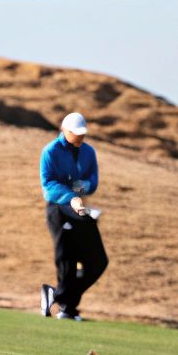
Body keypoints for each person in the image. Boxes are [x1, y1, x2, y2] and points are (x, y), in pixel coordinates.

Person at [39, 111, 108, 321]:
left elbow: (92, 180)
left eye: (82, 134)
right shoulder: (50, 151)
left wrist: (83, 186)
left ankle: (57, 296)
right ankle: (68, 309)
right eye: (76, 133)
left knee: (98, 261)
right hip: (59, 208)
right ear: (64, 130)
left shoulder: (88, 152)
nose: (80, 138)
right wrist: (71, 196)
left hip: (80, 209)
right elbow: (48, 185)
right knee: (66, 259)